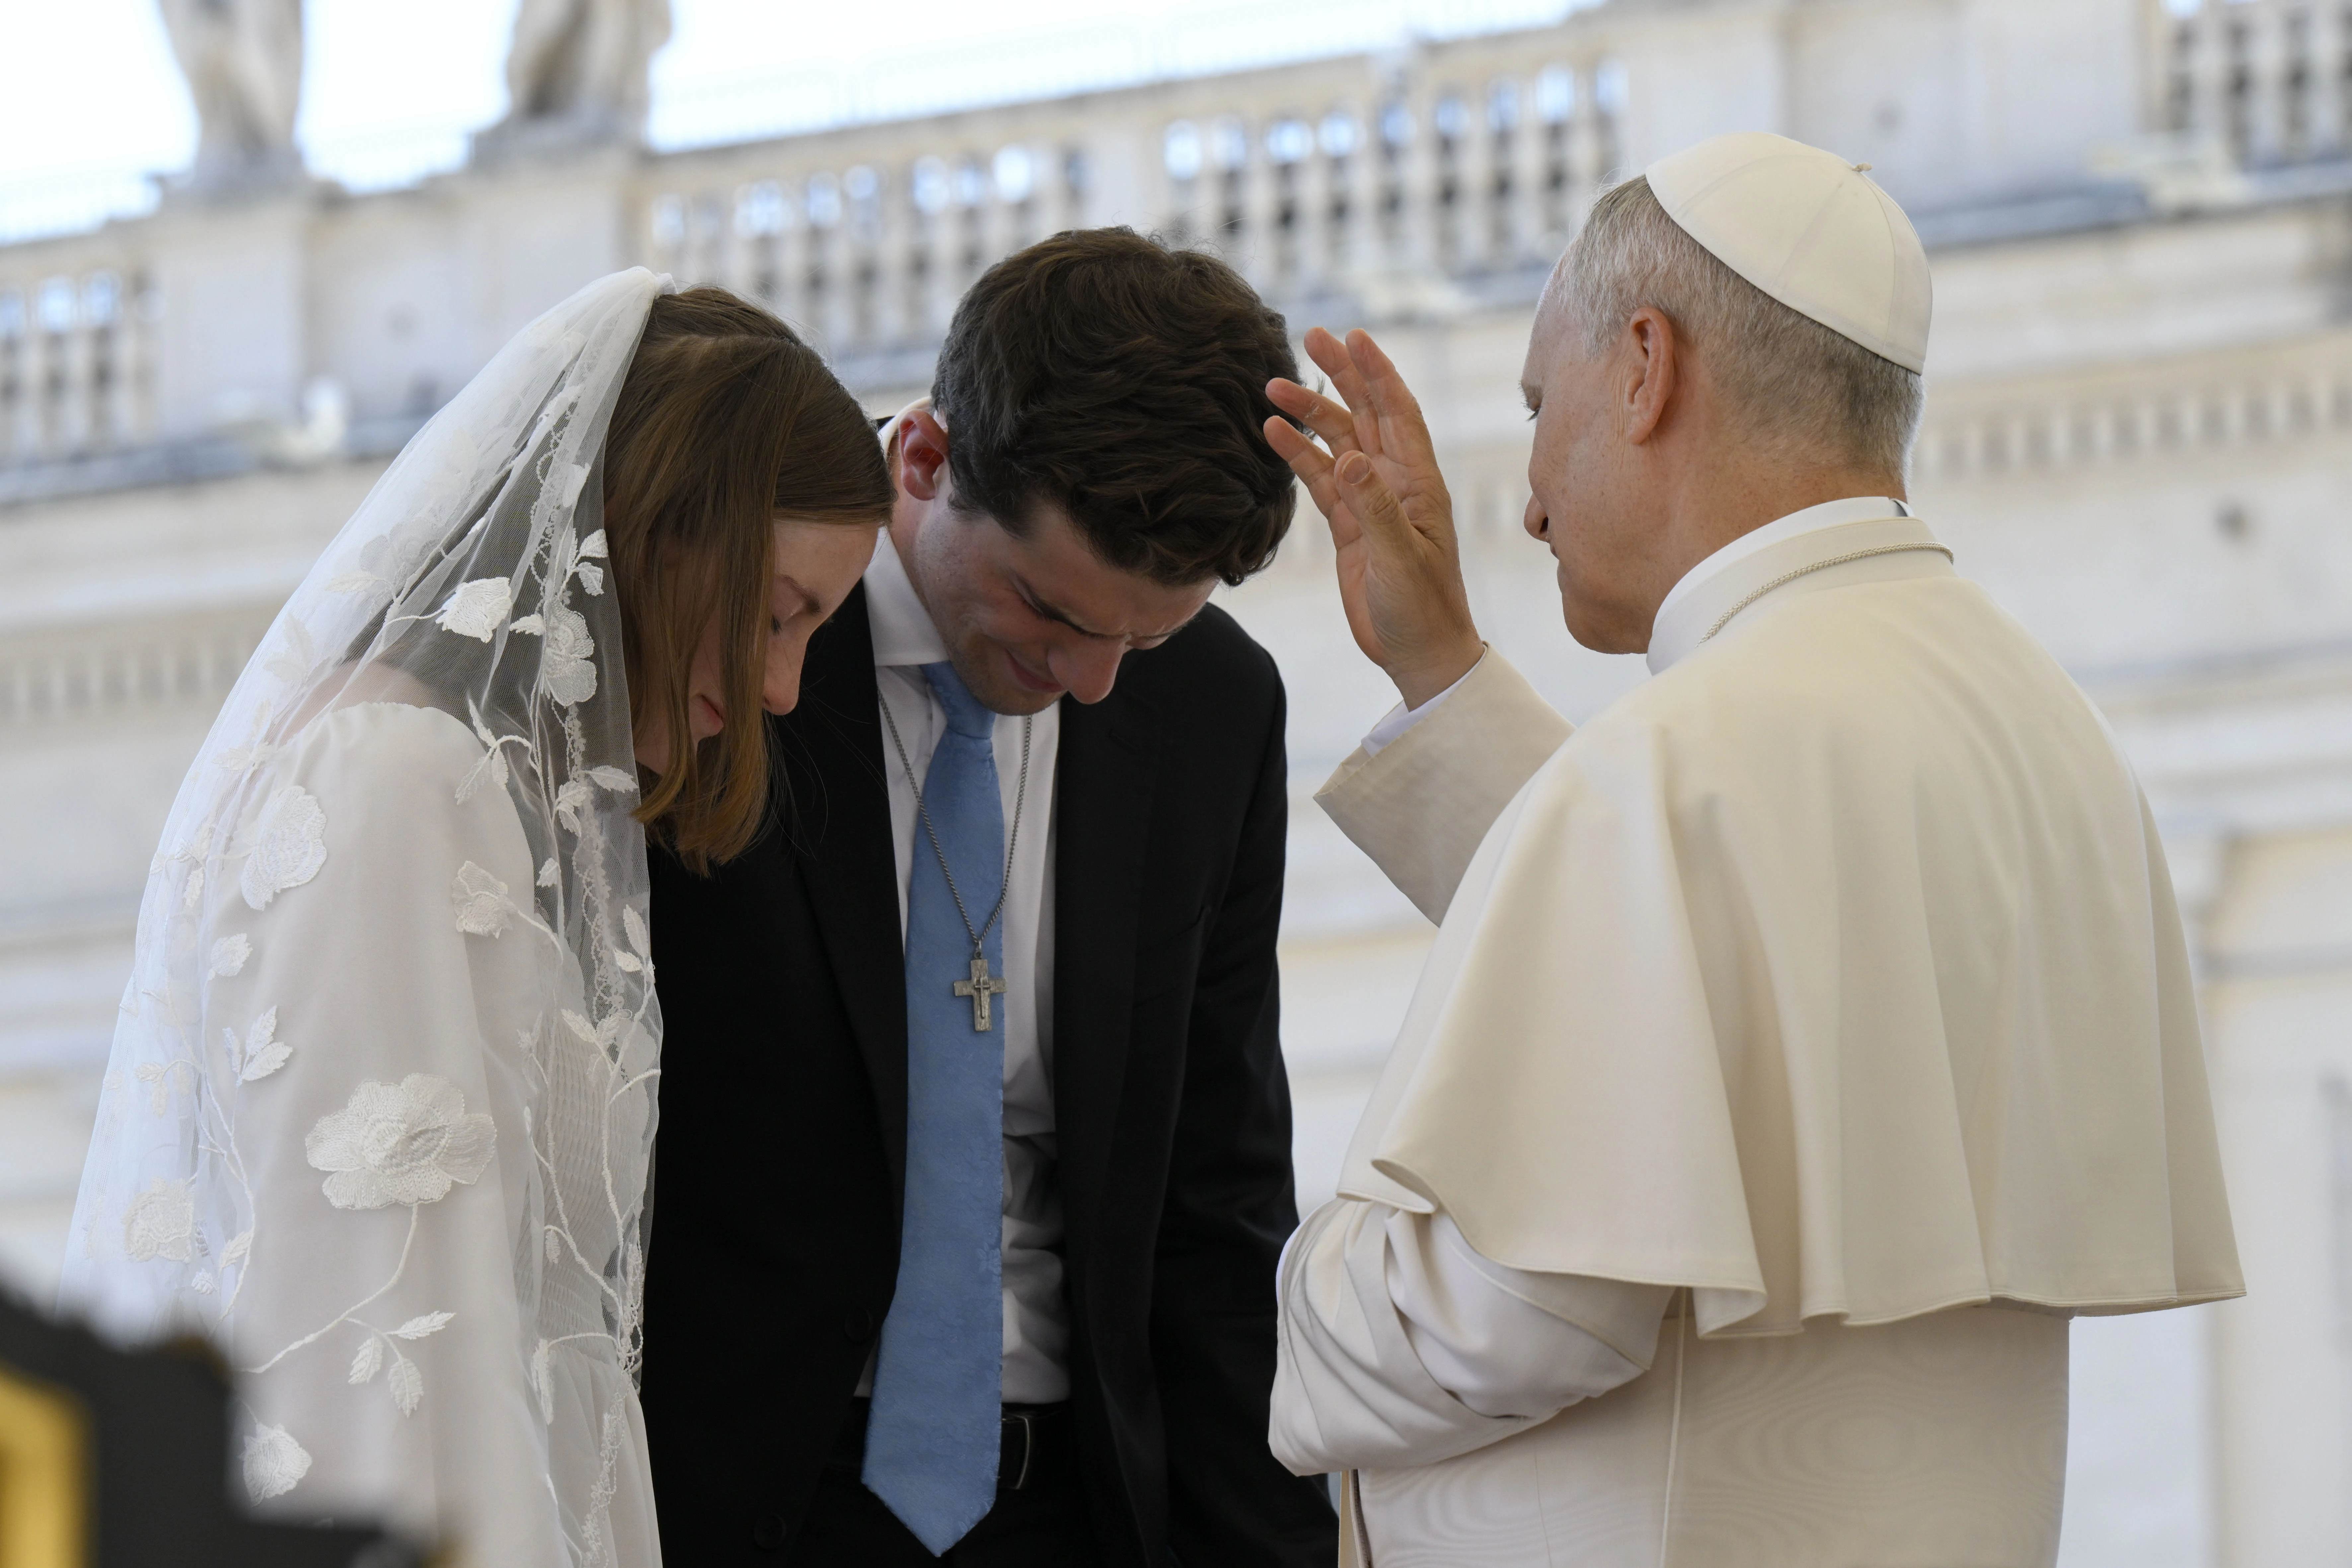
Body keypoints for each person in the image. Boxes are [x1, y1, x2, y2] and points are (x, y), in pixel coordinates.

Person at [1258, 133, 2245, 1566]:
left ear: (1647, 366)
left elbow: (1518, 1302)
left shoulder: (1679, 761)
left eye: (1542, 405)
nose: (1525, 499)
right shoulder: (2048, 734)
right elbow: (1689, 1001)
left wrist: (1293, 1279)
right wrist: (1445, 677)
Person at [61, 271, 895, 1566]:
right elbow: (376, 1329)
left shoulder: (463, 789)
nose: (785, 687)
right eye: (779, 614)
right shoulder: (399, 780)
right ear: (655, 530)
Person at [640, 228, 1338, 1566]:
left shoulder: (1211, 710)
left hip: (1074, 1505)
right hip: (736, 1495)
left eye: (1143, 635)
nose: (1089, 685)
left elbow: (1215, 1198)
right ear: (924, 461)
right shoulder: (737, 632)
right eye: (1049, 613)